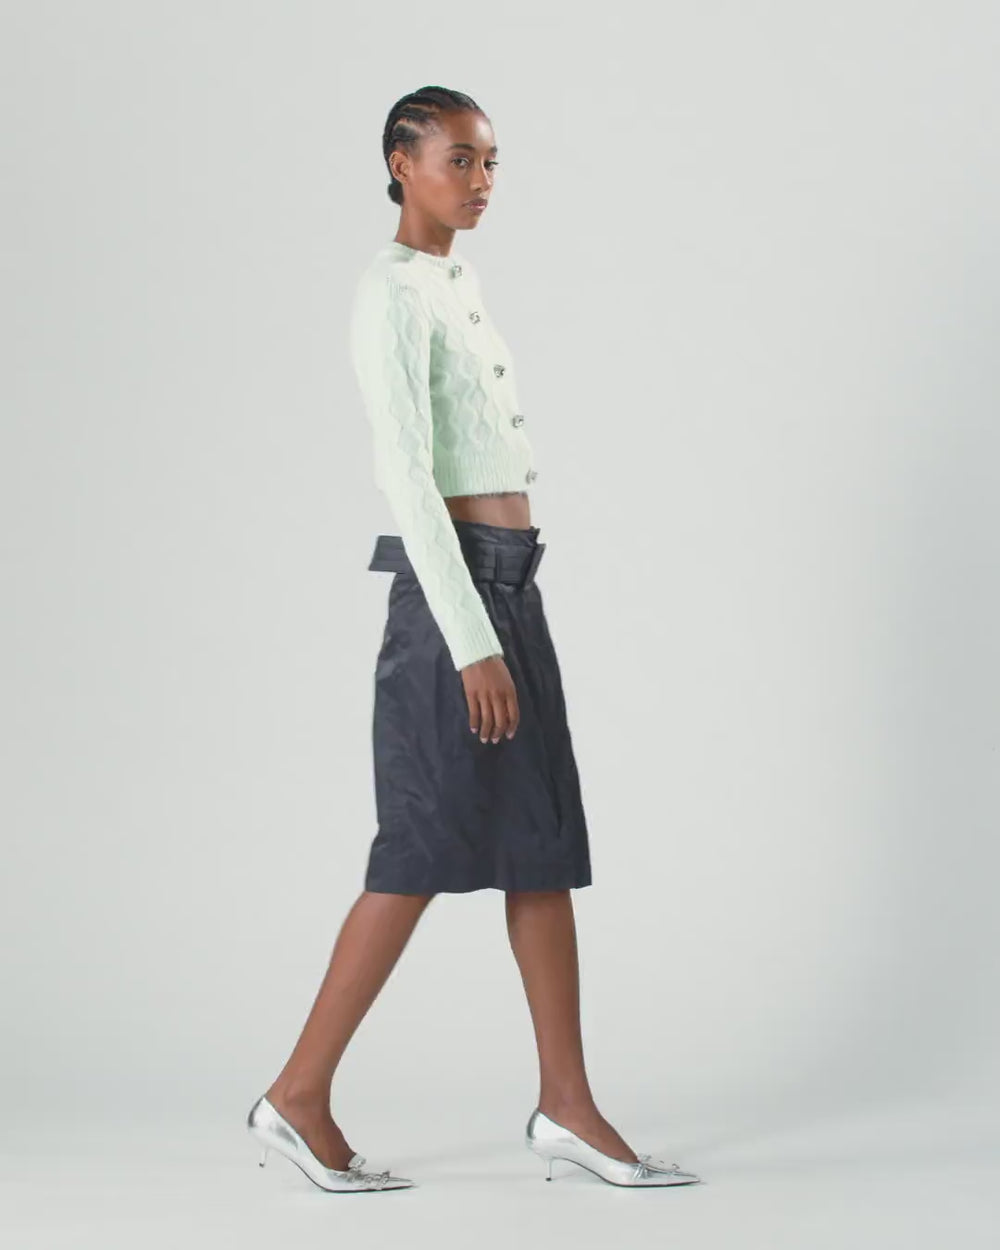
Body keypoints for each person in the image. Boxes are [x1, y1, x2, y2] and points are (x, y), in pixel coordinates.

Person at [246, 86, 702, 1192]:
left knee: (540, 844)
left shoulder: (457, 283)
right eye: (459, 158)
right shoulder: (391, 294)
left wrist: (498, 622)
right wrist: (470, 642)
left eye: (492, 162)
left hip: (509, 586)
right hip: (453, 601)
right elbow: (407, 477)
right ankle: (296, 1096)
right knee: (417, 849)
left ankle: (566, 1105)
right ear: (400, 163)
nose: (482, 181)